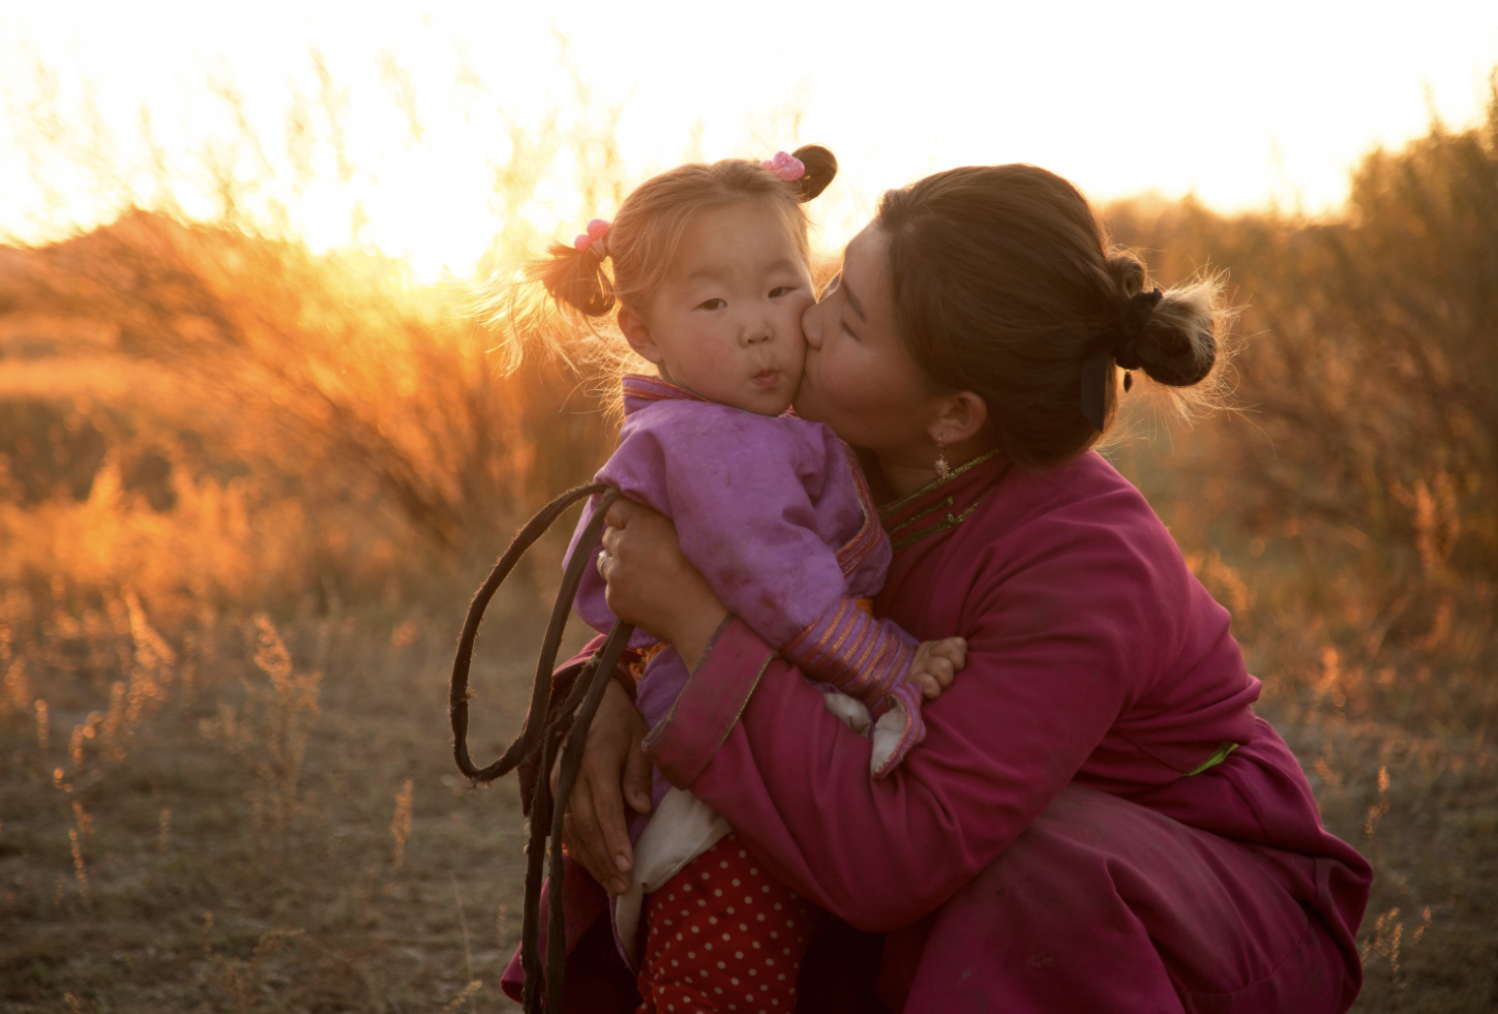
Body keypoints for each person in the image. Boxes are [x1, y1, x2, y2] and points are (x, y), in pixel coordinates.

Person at [512, 162, 1373, 1013]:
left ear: (953, 415)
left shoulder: (1088, 565)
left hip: (1174, 902)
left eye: (847, 323)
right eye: (830, 283)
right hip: (937, 866)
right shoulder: (823, 438)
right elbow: (747, 583)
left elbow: (901, 856)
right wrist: (609, 689)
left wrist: (698, 629)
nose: (802, 326)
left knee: (1027, 874)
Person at [497, 145, 967, 1014]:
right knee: (721, 986)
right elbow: (780, 585)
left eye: (782, 289)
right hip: (723, 794)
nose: (757, 324)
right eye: (713, 302)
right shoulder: (717, 443)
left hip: (756, 749)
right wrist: (888, 662)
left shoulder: (752, 423)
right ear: (644, 332)